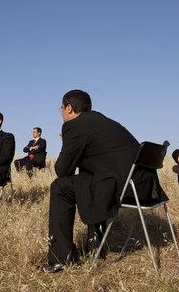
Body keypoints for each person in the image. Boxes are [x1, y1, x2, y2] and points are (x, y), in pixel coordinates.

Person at [37, 90, 140, 273]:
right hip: (140, 187)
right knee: (87, 180)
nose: (61, 113)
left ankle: (61, 258)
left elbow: (62, 170)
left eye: (61, 109)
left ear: (69, 108)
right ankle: (95, 247)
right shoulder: (102, 121)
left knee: (60, 187)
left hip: (119, 187)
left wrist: (67, 145)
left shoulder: (74, 126)